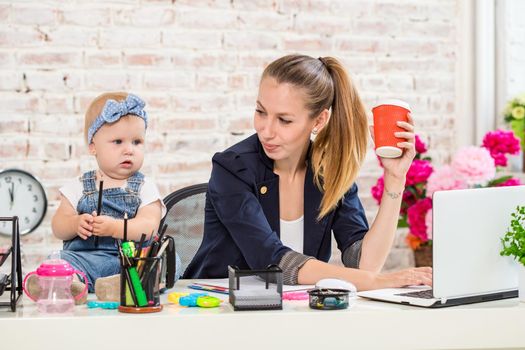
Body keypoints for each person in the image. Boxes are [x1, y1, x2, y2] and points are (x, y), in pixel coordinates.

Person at [184, 54, 432, 290]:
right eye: (261, 112)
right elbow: (271, 260)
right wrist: (377, 281)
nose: (266, 130)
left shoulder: (329, 172)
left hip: (296, 311)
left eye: (284, 120)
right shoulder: (232, 168)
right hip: (218, 310)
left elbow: (363, 263)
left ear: (319, 121)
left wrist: (395, 178)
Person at [49, 92, 180, 301]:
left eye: (137, 142)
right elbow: (58, 226)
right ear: (93, 146)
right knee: (62, 260)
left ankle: (122, 283)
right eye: (118, 141)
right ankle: (76, 282)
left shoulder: (145, 186)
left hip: (134, 261)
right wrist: (75, 223)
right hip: (89, 260)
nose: (129, 150)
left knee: (170, 259)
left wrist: (114, 228)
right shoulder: (78, 186)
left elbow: (149, 226)